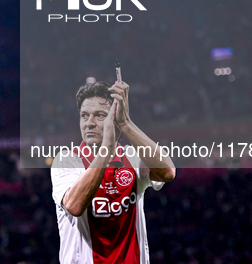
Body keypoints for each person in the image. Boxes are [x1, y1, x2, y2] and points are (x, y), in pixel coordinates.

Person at [51, 80, 175, 264]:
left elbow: (168, 173)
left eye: (99, 115)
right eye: (84, 116)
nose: (89, 123)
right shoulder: (67, 160)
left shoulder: (132, 157)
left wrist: (125, 123)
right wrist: (106, 149)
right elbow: (75, 205)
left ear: (114, 118)